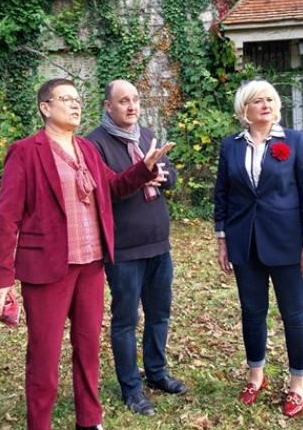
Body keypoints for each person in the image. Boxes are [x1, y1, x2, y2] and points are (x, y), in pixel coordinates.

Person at [0, 78, 174, 430]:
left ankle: (90, 419)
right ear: (45, 107)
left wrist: (144, 167)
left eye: (78, 99)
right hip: (47, 268)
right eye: (66, 99)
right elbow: (7, 216)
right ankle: (39, 423)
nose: (75, 105)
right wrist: (1, 275)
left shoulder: (87, 150)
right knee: (44, 355)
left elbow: (114, 187)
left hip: (91, 265)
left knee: (88, 349)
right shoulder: (26, 151)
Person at [214, 79, 303, 417]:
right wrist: (222, 240)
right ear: (244, 109)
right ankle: (256, 376)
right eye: (258, 100)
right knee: (252, 312)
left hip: (288, 243)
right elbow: (222, 195)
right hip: (244, 243)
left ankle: (297, 382)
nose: (266, 105)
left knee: (293, 315)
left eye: (271, 99)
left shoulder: (295, 142)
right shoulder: (230, 146)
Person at [86, 80, 186, 417]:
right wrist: (141, 173)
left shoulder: (146, 135)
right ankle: (131, 387)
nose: (132, 106)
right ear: (108, 106)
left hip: (159, 243)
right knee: (126, 319)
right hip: (125, 248)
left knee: (159, 314)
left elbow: (170, 175)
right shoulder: (93, 144)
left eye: (136, 100)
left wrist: (161, 175)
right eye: (124, 101)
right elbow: (107, 191)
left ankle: (156, 373)